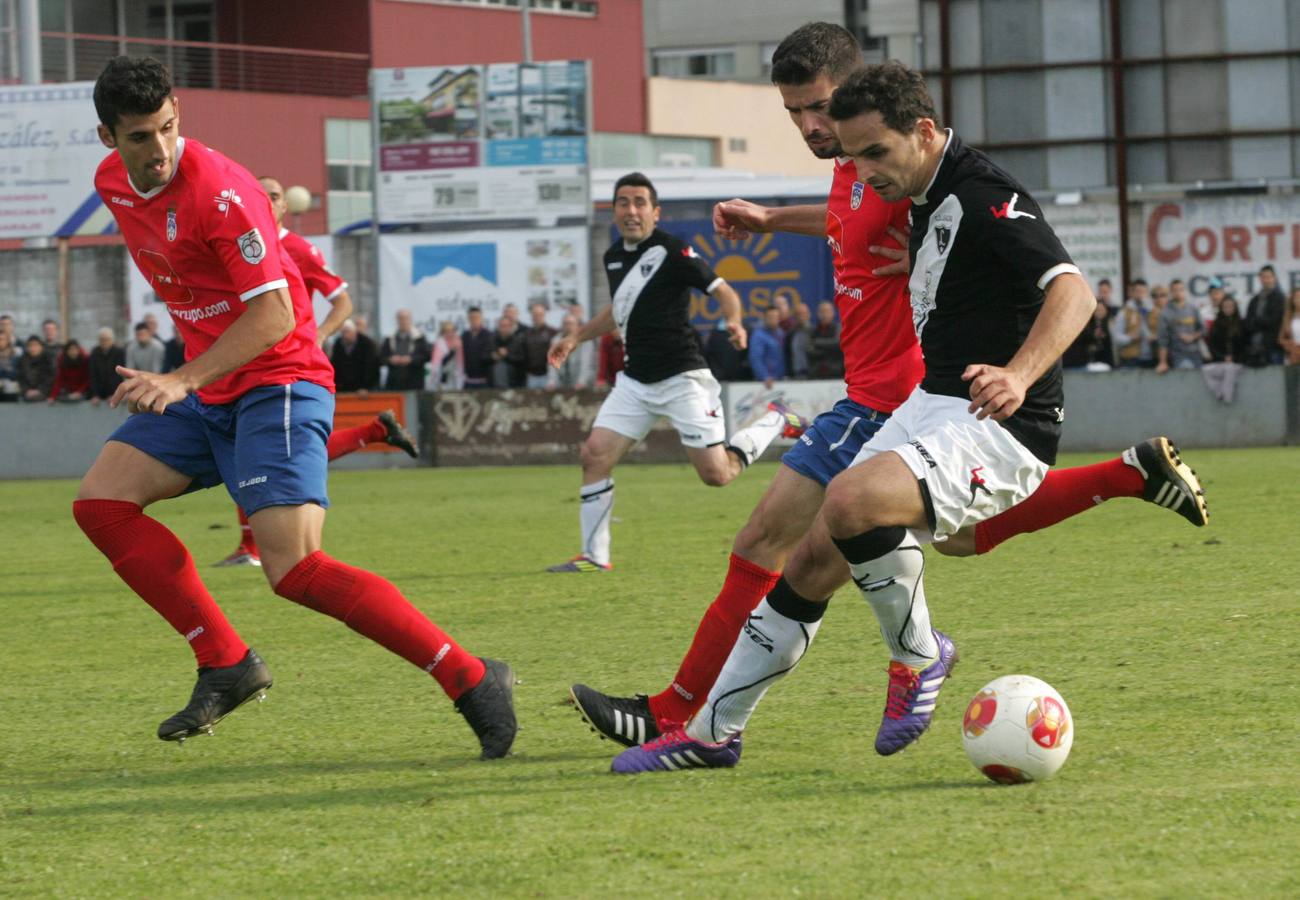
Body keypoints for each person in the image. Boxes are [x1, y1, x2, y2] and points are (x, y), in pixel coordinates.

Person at [587, 58, 1207, 773]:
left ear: (921, 130)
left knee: (852, 501)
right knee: (815, 555)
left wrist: (1018, 372)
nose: (865, 171)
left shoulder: (983, 191)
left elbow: (1072, 290)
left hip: (1002, 423)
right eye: (853, 156)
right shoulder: (917, 186)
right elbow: (894, 236)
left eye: (875, 152)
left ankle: (919, 656)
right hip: (931, 404)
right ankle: (712, 733)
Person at [76, 55, 514, 758]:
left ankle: (472, 677)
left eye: (165, 129)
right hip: (213, 387)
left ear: (178, 114)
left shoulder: (222, 193)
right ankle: (225, 661)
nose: (156, 150)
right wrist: (194, 378)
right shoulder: (110, 185)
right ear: (108, 138)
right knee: (102, 503)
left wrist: (183, 378)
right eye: (138, 137)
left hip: (278, 381)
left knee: (295, 569)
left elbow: (278, 316)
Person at [545, 171, 809, 573]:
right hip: (635, 382)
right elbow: (618, 309)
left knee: (718, 475)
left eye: (639, 203)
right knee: (594, 455)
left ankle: (776, 419)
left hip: (683, 378)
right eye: (623, 202)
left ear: (655, 211)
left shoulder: (673, 251)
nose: (631, 211)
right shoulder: (614, 255)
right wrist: (576, 338)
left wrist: (734, 321)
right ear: (614, 210)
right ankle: (594, 557)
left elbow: (724, 291)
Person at [259, 177, 353, 348]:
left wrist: (321, 334)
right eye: (261, 197)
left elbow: (343, 302)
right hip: (250, 354)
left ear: (284, 205)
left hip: (292, 355)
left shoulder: (301, 249)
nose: (268, 203)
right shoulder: (239, 245)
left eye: (274, 197)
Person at [1156, 279, 1204, 373]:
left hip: (1196, 354)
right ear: (1171, 293)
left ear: (1185, 291)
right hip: (1178, 355)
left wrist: (1193, 337)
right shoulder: (1165, 313)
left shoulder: (1193, 309)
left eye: (1181, 289)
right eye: (1175, 290)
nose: (1178, 292)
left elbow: (1204, 329)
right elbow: (1163, 340)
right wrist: (1163, 362)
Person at [1245, 265, 1286, 366]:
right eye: (1263, 277)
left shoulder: (1280, 299)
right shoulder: (1254, 300)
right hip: (1255, 348)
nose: (1266, 280)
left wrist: (1257, 321)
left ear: (1274, 278)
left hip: (1273, 348)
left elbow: (1274, 321)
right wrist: (1260, 322)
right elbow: (1248, 323)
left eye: (1268, 277)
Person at [380, 310, 429, 390]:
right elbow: (382, 358)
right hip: (394, 383)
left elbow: (426, 356)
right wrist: (390, 360)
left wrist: (411, 359)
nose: (403, 321)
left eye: (405, 318)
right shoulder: (389, 338)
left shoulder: (419, 338)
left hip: (414, 383)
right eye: (400, 319)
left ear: (410, 320)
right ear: (397, 320)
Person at [329, 318, 380, 392]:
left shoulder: (367, 344)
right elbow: (335, 365)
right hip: (343, 387)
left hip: (363, 388)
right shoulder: (338, 344)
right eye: (343, 333)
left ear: (354, 332)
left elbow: (371, 367)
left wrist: (366, 387)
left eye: (347, 332)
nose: (345, 336)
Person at [547, 313, 594, 390]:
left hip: (580, 382)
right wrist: (552, 382)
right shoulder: (555, 340)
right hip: (561, 382)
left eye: (571, 323)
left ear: (577, 326)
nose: (568, 326)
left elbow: (586, 364)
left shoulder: (586, 341)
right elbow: (552, 364)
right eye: (565, 323)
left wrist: (581, 382)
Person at [1063, 300, 1114, 369]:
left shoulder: (1111, 324)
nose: (1099, 312)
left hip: (1107, 361)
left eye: (1101, 310)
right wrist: (1093, 336)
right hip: (1086, 362)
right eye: (1097, 310)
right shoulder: (1087, 325)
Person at [806, 300, 844, 379]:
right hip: (816, 373)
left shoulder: (838, 328)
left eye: (827, 311)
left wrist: (817, 342)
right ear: (818, 314)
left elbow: (838, 344)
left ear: (833, 313)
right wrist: (830, 348)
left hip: (836, 372)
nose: (825, 315)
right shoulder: (812, 330)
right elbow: (809, 350)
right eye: (822, 312)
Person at [88, 327, 126, 405]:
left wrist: (114, 394)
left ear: (112, 340)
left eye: (107, 339)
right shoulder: (94, 353)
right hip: (99, 393)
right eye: (102, 339)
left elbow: (119, 376)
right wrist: (95, 395)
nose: (104, 342)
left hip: (115, 393)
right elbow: (93, 376)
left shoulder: (119, 353)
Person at [523, 302, 556, 388]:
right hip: (531, 375)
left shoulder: (552, 332)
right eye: (535, 314)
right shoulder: (526, 333)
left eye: (539, 314)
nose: (537, 317)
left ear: (544, 315)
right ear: (531, 315)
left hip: (547, 375)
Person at [460, 306, 494, 389]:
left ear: (481, 318)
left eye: (477, 317)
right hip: (468, 381)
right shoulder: (464, 336)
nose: (474, 320)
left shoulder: (488, 335)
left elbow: (489, 357)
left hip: (485, 382)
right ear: (468, 319)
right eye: (472, 318)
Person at [491, 314, 527, 388]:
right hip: (494, 386)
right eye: (502, 326)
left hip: (514, 384)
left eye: (506, 326)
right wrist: (492, 357)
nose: (504, 329)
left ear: (511, 327)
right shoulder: (492, 340)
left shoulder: (518, 341)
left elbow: (522, 360)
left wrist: (507, 355)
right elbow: (484, 357)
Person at [1206, 296, 1246, 363]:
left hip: (1239, 361)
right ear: (1221, 308)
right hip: (1220, 361)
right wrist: (1223, 357)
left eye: (1230, 306)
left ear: (1235, 307)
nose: (1228, 309)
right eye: (1225, 306)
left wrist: (1235, 357)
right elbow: (1212, 345)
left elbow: (1245, 343)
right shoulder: (1216, 324)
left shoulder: (1241, 323)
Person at [428, 320, 465, 390]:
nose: (450, 333)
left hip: (458, 378)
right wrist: (452, 351)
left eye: (452, 331)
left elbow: (462, 363)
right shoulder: (439, 344)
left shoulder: (459, 342)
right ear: (443, 332)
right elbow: (439, 364)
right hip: (443, 380)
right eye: (447, 331)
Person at [18, 335, 55, 401]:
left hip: (45, 393)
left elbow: (51, 378)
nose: (33, 348)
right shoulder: (23, 360)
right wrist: (26, 391)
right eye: (30, 346)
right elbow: (21, 379)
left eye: (35, 345)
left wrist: (39, 390)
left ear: (41, 347)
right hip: (27, 394)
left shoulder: (48, 360)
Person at [787, 302, 813, 378]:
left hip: (812, 373)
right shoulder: (790, 333)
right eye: (798, 314)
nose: (801, 316)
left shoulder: (814, 331)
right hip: (795, 374)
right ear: (794, 316)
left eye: (804, 313)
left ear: (809, 314)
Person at [0, 330, 23, 401]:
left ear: (7, 341)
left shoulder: (16, 354)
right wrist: (6, 370)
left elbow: (17, 373)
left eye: (2, 339)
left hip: (12, 390)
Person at [1280, 288, 1300, 366]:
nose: (1299, 300)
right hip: (1292, 356)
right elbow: (1281, 339)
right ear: (1292, 300)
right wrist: (1292, 347)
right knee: (1292, 377)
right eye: (1297, 297)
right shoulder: (1287, 318)